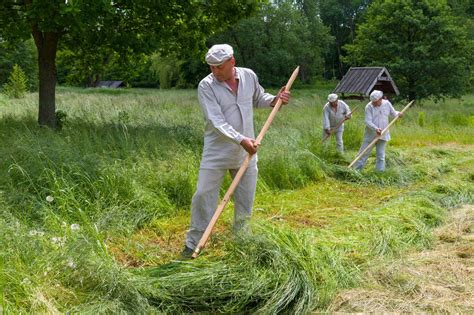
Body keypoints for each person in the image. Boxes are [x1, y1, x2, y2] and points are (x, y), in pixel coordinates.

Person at [182, 44, 290, 257]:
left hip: (247, 152)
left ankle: (242, 242)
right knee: (203, 194)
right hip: (217, 152)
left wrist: (275, 100)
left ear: (232, 61)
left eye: (219, 67)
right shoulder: (206, 86)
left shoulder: (249, 76)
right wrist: (241, 140)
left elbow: (259, 98)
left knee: (245, 199)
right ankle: (193, 243)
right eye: (211, 67)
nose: (214, 71)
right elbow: (216, 121)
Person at [353, 90, 402, 171]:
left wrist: (398, 114)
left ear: (380, 99)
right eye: (373, 102)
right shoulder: (369, 107)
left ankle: (379, 172)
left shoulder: (387, 103)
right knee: (363, 153)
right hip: (371, 134)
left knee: (381, 155)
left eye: (375, 102)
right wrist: (376, 129)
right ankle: (356, 170)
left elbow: (393, 113)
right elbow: (367, 121)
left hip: (383, 134)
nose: (374, 103)